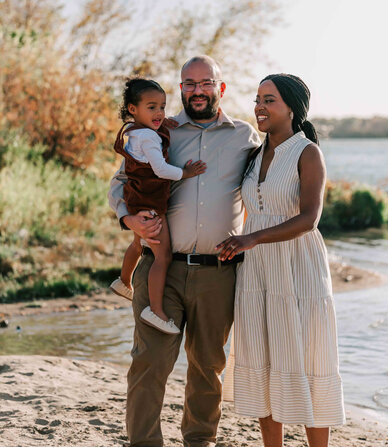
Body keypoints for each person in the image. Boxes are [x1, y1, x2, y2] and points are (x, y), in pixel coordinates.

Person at [108, 56, 260, 447]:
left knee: (209, 366)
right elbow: (120, 182)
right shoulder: (161, 133)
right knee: (148, 363)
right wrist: (129, 220)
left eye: (205, 83)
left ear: (220, 89)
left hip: (218, 273)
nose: (197, 90)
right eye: (189, 83)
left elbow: (268, 187)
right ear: (180, 88)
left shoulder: (245, 137)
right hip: (162, 267)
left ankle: (199, 441)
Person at [217, 74, 345, 447]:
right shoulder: (255, 155)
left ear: (291, 107)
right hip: (257, 273)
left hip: (298, 270)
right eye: (257, 98)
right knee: (263, 358)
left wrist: (250, 238)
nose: (259, 106)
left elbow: (309, 218)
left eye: (269, 100)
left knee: (308, 361)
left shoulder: (308, 152)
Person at [110, 77, 206, 335]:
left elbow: (149, 140)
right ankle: (156, 310)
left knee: (137, 244)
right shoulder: (149, 139)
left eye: (162, 107)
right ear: (133, 108)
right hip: (151, 204)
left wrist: (163, 123)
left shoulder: (134, 131)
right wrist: (185, 173)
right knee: (162, 257)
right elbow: (161, 169)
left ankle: (123, 281)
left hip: (136, 199)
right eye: (151, 107)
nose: (160, 113)